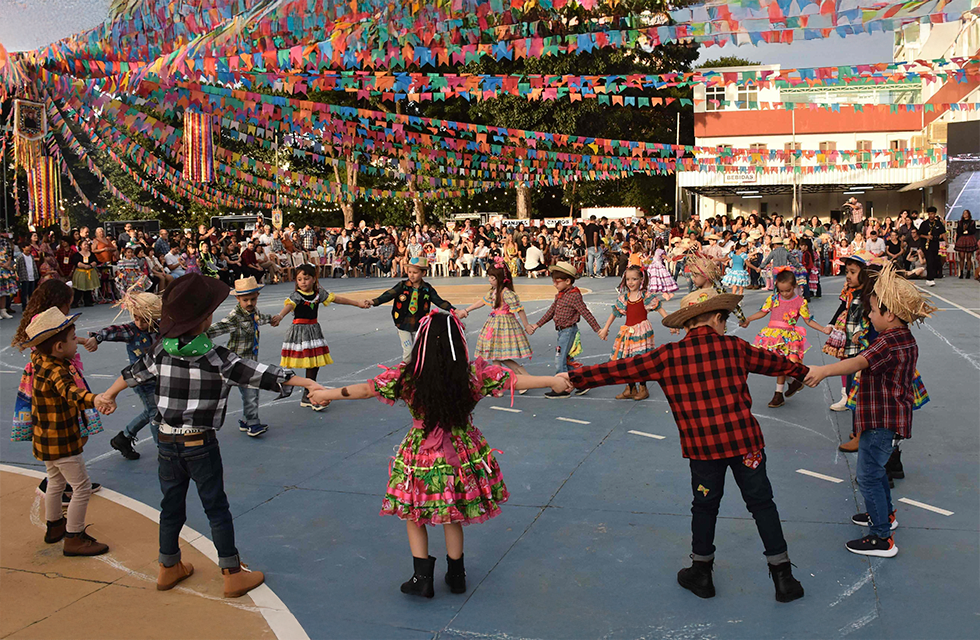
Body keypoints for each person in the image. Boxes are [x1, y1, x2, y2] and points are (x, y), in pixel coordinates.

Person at [561, 289, 807, 603]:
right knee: (762, 504)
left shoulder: (667, 356)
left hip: (703, 450)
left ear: (688, 323)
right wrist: (803, 372)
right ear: (716, 318)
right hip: (746, 445)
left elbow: (620, 369)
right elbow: (775, 362)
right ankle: (783, 578)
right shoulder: (735, 347)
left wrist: (576, 378)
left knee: (704, 507)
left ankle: (701, 573)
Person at [308, 312, 570, 598]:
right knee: (452, 514)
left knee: (414, 514)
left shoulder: (408, 377)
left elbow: (364, 390)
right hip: (461, 451)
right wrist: (553, 380)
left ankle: (422, 578)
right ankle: (456, 575)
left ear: (421, 343)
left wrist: (325, 394)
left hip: (421, 454)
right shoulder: (472, 376)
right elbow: (513, 381)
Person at [100, 274, 324, 597]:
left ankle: (167, 566)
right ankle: (232, 573)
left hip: (166, 443)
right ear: (204, 319)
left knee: (171, 506)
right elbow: (261, 374)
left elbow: (132, 375)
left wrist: (108, 395)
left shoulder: (160, 351)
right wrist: (308, 383)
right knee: (215, 507)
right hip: (200, 444)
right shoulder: (218, 358)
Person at [804, 264, 936, 557]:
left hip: (880, 420)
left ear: (890, 315)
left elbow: (858, 362)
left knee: (868, 474)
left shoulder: (888, 342)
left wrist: (823, 370)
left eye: (874, 311)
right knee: (876, 471)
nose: (870, 315)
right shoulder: (904, 337)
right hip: (885, 417)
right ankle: (884, 514)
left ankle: (881, 536)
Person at [24, 308, 114, 557]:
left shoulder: (39, 360)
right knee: (81, 487)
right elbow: (71, 392)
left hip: (44, 438)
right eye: (74, 338)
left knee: (55, 481)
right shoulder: (58, 370)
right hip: (62, 440)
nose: (77, 342)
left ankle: (54, 526)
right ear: (59, 347)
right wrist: (96, 399)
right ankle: (74, 536)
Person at [274, 264, 368, 409]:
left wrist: (357, 303)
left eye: (306, 278)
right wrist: (280, 316)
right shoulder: (296, 296)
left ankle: (308, 394)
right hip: (300, 332)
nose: (303, 282)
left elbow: (338, 299)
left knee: (314, 364)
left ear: (314, 279)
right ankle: (305, 393)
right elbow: (289, 306)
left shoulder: (318, 294)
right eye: (299, 279)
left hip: (314, 330)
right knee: (307, 362)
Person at [83, 292, 162, 459]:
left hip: (158, 378)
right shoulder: (131, 331)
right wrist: (97, 338)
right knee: (155, 413)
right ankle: (163, 450)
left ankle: (124, 437)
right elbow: (113, 331)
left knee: (152, 411)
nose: (139, 323)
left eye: (144, 320)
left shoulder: (160, 328)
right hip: (140, 380)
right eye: (136, 318)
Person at [740, 268, 832, 408]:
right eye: (781, 291)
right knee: (772, 364)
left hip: (788, 338)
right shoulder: (773, 298)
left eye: (787, 290)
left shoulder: (800, 302)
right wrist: (749, 319)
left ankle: (778, 394)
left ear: (794, 286)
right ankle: (792, 382)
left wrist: (822, 329)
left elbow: (808, 320)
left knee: (782, 363)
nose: (784, 293)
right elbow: (763, 312)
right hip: (771, 337)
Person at [205, 277, 282, 435]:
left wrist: (272, 319)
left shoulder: (253, 312)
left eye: (252, 299)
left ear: (257, 296)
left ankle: (249, 421)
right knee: (232, 393)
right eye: (245, 300)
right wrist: (197, 335)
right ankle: (249, 423)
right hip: (236, 363)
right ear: (238, 299)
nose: (249, 303)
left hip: (250, 361)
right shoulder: (235, 317)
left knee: (251, 392)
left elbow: (259, 319)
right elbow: (218, 327)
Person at [526, 261, 604, 397]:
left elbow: (586, 313)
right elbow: (551, 311)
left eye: (557, 281)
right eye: (553, 281)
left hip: (568, 332)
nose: (554, 284)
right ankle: (582, 383)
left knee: (559, 359)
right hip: (562, 331)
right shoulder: (560, 294)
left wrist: (598, 330)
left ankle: (561, 387)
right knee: (566, 360)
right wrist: (537, 324)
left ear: (568, 281)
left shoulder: (574, 296)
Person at [597, 265, 670, 401]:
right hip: (627, 332)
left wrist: (670, 324)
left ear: (641, 279)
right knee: (626, 359)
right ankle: (630, 388)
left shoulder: (645, 297)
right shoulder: (624, 298)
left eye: (634, 279)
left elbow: (660, 309)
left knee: (639, 361)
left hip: (641, 332)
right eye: (628, 279)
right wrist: (605, 328)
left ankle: (643, 388)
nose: (630, 282)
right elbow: (614, 313)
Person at [823, 255, 873, 452]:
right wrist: (831, 323)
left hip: (863, 349)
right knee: (853, 388)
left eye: (853, 272)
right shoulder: (851, 292)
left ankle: (860, 434)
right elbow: (842, 307)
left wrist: (863, 332)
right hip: (852, 347)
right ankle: (857, 431)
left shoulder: (870, 295)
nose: (848, 276)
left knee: (860, 391)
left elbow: (871, 319)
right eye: (847, 272)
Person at [368, 257, 462, 362]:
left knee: (420, 350)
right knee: (408, 351)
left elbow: (439, 301)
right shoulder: (402, 286)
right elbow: (388, 295)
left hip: (419, 325)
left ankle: (419, 370)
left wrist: (455, 310)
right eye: (409, 272)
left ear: (423, 273)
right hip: (403, 323)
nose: (411, 275)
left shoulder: (427, 289)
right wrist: (373, 302)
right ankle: (406, 369)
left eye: (415, 272)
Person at [460, 263, 533, 382]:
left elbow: (519, 309)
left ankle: (515, 380)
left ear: (500, 279)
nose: (489, 280)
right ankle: (509, 379)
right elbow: (482, 301)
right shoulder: (494, 291)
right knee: (496, 355)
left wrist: (526, 325)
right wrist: (466, 310)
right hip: (494, 324)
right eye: (489, 277)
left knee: (496, 355)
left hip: (503, 325)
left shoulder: (506, 293)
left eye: (492, 278)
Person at [918, 206, 946, 285]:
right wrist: (927, 237)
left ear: (935, 214)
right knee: (929, 260)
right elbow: (919, 234)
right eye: (929, 214)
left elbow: (943, 232)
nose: (931, 215)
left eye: (932, 214)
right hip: (926, 245)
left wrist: (946, 242)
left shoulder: (938, 223)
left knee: (934, 261)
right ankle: (930, 279)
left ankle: (931, 276)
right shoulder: (924, 224)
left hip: (935, 245)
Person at [16, 241, 39, 312]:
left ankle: (31, 306)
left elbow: (34, 266)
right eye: (27, 246)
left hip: (32, 276)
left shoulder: (31, 256)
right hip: (24, 277)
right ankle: (24, 307)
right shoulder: (20, 257)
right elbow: (18, 267)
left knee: (31, 292)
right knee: (24, 293)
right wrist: (18, 276)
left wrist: (36, 274)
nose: (29, 248)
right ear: (23, 248)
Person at [954, 209, 977, 279]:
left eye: (966, 213)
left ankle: (968, 272)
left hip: (969, 239)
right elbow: (958, 231)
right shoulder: (960, 222)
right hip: (962, 239)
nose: (965, 214)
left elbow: (974, 231)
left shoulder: (972, 222)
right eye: (964, 213)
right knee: (961, 257)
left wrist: (968, 230)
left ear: (969, 214)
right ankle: (961, 272)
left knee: (969, 257)